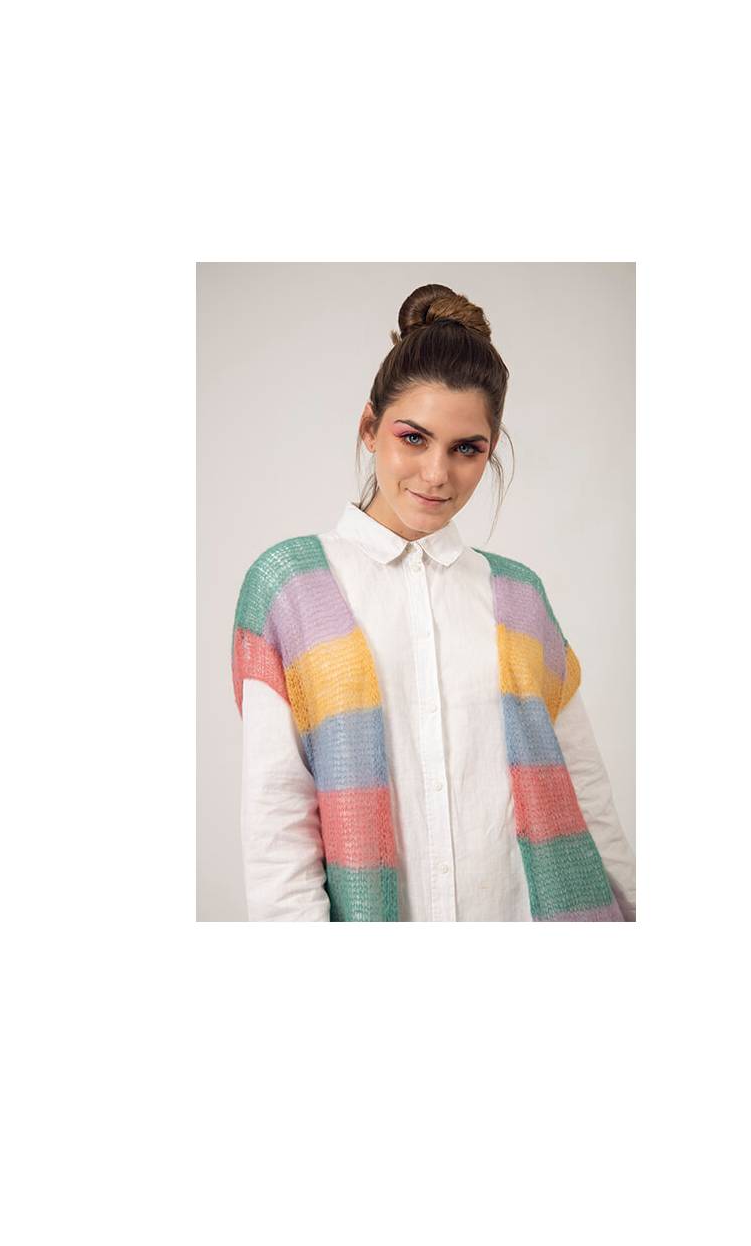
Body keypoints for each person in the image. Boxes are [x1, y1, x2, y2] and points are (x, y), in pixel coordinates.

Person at [231, 283, 636, 922]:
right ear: (370, 428)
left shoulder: (519, 596)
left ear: (490, 451)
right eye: (414, 438)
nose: (437, 474)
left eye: (466, 448)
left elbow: (585, 788)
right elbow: (277, 823)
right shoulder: (290, 587)